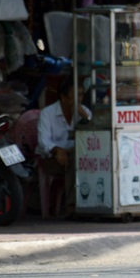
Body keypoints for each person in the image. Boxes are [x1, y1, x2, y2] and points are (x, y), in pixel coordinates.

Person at [36, 79, 92, 217]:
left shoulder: (83, 111)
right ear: (63, 97)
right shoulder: (47, 114)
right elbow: (43, 142)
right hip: (51, 158)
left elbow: (93, 135)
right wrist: (58, 151)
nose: (79, 99)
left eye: (81, 95)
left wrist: (85, 117)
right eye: (75, 95)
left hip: (74, 154)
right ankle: (71, 206)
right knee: (73, 161)